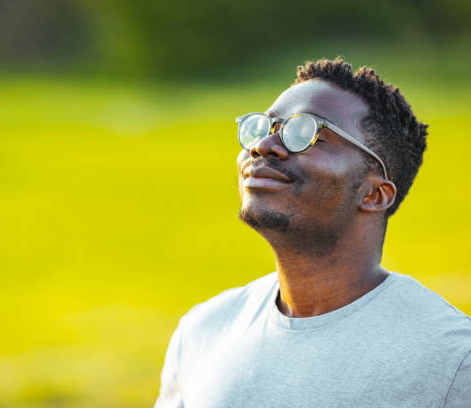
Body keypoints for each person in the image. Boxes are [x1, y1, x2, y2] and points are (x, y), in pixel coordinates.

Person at [154, 58, 471, 408]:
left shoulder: (453, 361)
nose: (263, 146)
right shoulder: (203, 333)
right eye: (263, 127)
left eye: (306, 132)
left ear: (373, 194)